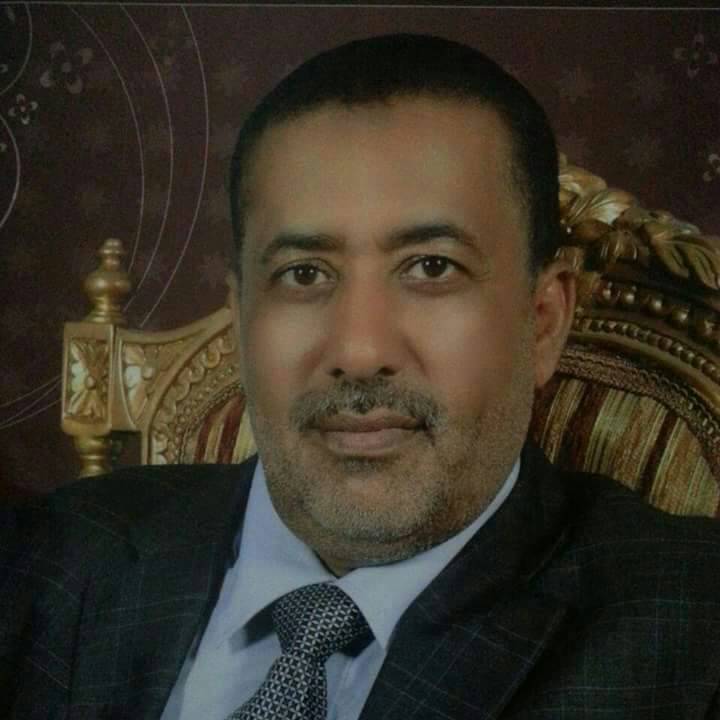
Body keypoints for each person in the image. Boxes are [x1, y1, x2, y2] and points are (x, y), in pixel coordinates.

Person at [1, 33, 720, 720]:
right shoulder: (43, 561)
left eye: (432, 267)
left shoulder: (690, 638)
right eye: (303, 274)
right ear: (242, 318)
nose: (359, 348)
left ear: (543, 321)